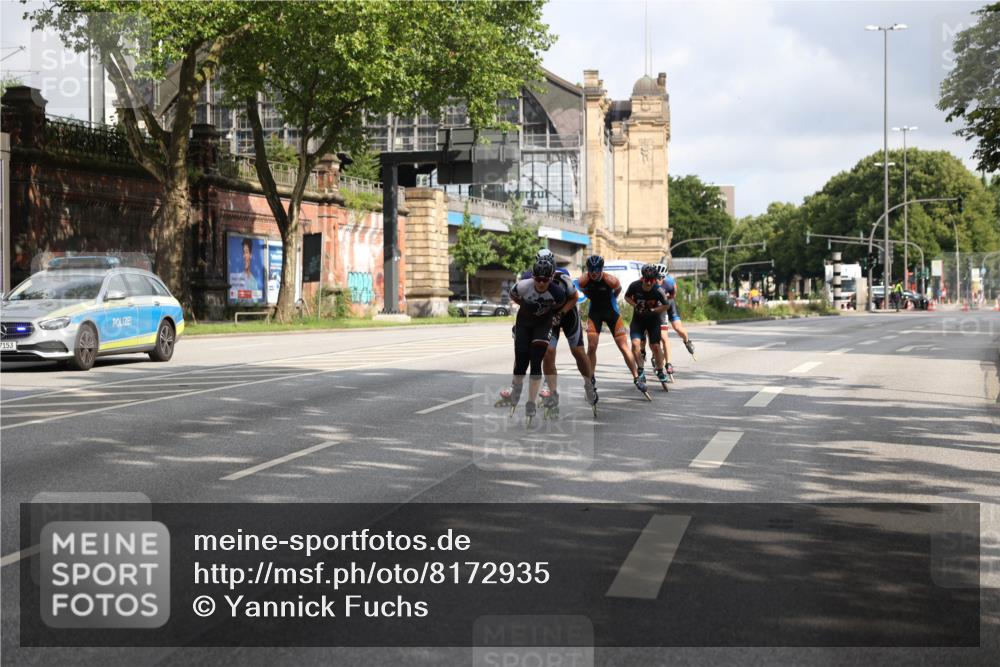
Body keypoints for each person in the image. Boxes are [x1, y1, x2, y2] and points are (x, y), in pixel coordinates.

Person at [518, 249, 598, 413]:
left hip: (567, 314)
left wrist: (561, 313)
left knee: (578, 352)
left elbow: (574, 298)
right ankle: (552, 392)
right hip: (548, 317)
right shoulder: (529, 278)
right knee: (548, 352)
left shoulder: (562, 277)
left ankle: (589, 383)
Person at [496, 258, 569, 421]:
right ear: (533, 277)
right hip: (524, 322)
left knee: (536, 360)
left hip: (543, 325)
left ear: (551, 278)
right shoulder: (523, 286)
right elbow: (513, 295)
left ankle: (531, 401)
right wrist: (524, 304)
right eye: (538, 279)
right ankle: (515, 390)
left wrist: (548, 312)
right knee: (521, 358)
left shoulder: (557, 292)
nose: (541, 283)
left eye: (545, 280)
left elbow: (560, 304)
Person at [578, 255, 647, 396]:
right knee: (591, 347)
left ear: (601, 269)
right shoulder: (583, 280)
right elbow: (581, 291)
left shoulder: (611, 280)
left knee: (623, 347)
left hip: (612, 313)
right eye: (591, 269)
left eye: (597, 269)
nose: (594, 272)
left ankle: (636, 377)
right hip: (594, 314)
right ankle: (590, 379)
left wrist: (610, 300)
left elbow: (618, 290)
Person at [637, 267, 695, 380]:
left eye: (661, 278)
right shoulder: (644, 281)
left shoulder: (669, 284)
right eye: (657, 278)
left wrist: (664, 300)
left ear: (665, 277)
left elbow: (673, 296)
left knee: (672, 331)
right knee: (648, 335)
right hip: (650, 307)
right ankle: (652, 354)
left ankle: (684, 344)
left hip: (666, 304)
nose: (659, 280)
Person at [625, 265, 673, 388]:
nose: (649, 283)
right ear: (643, 278)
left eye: (652, 281)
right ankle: (640, 369)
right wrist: (635, 305)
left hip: (653, 321)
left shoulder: (658, 290)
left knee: (656, 346)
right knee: (635, 344)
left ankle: (660, 370)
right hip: (638, 320)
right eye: (647, 280)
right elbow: (627, 297)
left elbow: (666, 305)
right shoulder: (634, 286)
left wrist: (654, 310)